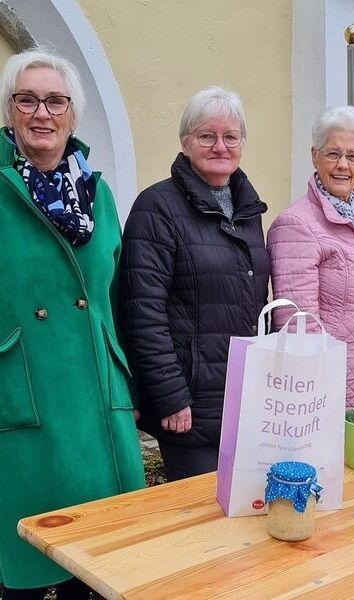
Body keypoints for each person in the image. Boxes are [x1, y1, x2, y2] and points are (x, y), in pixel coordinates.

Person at [0, 50, 145, 599]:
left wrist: (124, 375)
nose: (43, 112)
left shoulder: (98, 194)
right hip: (24, 390)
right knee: (28, 563)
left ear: (73, 115)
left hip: (95, 392)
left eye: (55, 100)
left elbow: (114, 294)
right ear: (10, 111)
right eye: (27, 99)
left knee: (99, 561)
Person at [119, 86, 269, 481]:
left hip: (239, 399)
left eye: (230, 137)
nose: (220, 146)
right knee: (200, 527)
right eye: (207, 136)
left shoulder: (247, 211)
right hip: (187, 406)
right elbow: (142, 312)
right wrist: (170, 398)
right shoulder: (157, 207)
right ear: (185, 142)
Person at [267, 105, 354, 407]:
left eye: (353, 156)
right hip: (321, 389)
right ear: (314, 156)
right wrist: (317, 387)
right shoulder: (296, 224)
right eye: (333, 154)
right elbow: (298, 322)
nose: (343, 165)